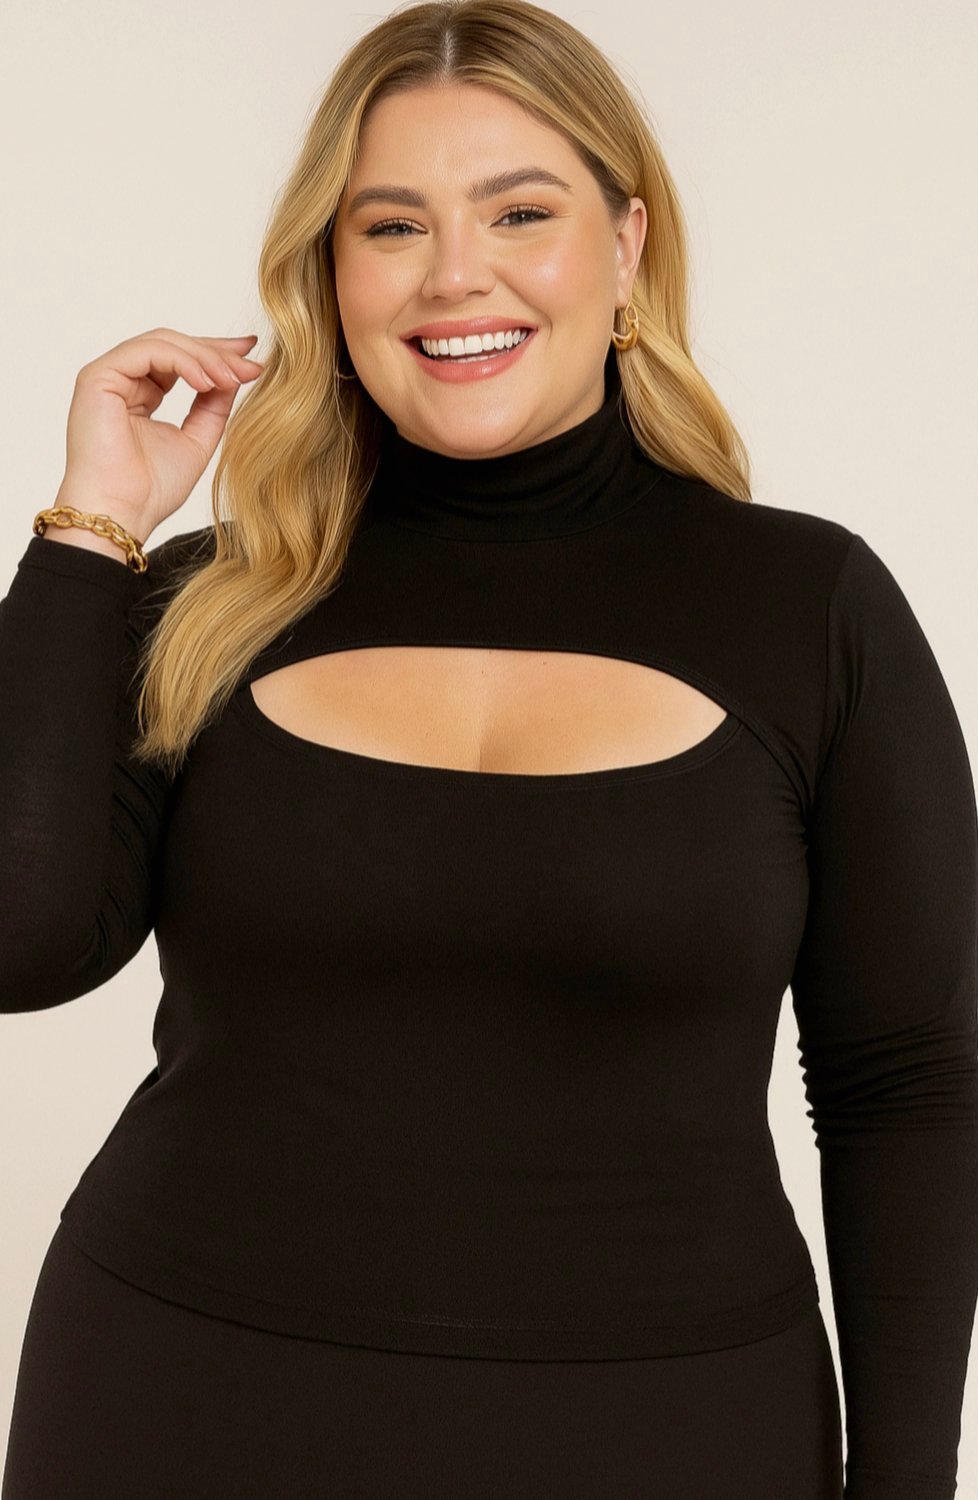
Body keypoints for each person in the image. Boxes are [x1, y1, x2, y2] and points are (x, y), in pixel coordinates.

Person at [2, 2, 976, 1495]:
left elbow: (908, 1084)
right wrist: (92, 532)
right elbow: (18, 942)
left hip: (670, 1435)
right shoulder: (205, 603)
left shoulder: (810, 607)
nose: (454, 273)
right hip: (175, 1400)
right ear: (330, 275)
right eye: (391, 226)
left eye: (520, 212)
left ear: (626, 245)